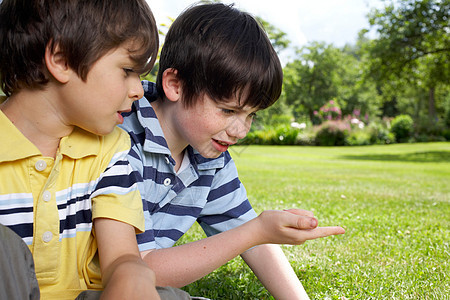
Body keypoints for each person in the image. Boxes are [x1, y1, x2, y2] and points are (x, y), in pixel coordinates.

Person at [119, 3, 345, 299]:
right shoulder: (122, 138)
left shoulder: (210, 158)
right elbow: (140, 270)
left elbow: (252, 239)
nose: (241, 130)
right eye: (228, 110)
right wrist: (256, 231)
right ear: (175, 85)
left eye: (251, 115)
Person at [0, 0, 190, 299]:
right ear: (62, 60)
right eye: (127, 70)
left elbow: (120, 257)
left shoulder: (110, 150)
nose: (139, 90)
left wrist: (133, 274)